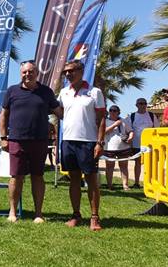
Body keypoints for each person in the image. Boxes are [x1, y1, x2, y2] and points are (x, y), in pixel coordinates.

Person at [0, 60, 62, 223]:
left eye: (31, 71)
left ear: (37, 73)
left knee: (37, 176)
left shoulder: (46, 92)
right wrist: (3, 138)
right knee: (16, 177)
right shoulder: (12, 91)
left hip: (39, 141)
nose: (28, 74)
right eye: (24, 72)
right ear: (21, 73)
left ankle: (38, 213)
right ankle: (12, 212)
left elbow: (60, 112)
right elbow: (4, 115)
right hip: (16, 140)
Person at [58, 60, 106, 231]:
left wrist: (100, 142)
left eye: (71, 71)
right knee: (74, 179)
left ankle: (94, 217)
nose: (68, 74)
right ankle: (76, 214)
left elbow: (101, 119)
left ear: (81, 71)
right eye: (65, 72)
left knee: (91, 180)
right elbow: (60, 113)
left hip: (88, 142)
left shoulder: (95, 92)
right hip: (68, 141)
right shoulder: (63, 92)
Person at [126, 98, 158, 188]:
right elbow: (128, 129)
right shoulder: (132, 116)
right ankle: (136, 183)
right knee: (138, 163)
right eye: (140, 103)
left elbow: (157, 129)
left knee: (150, 164)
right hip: (137, 145)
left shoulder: (152, 116)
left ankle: (150, 182)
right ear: (136, 105)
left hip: (150, 145)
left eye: (144, 103)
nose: (143, 105)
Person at [103, 105, 133, 191]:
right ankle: (109, 185)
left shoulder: (124, 121)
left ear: (118, 112)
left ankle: (125, 185)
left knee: (124, 166)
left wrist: (130, 137)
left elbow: (130, 131)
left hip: (123, 147)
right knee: (109, 167)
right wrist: (115, 125)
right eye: (111, 110)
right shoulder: (105, 121)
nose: (112, 112)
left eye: (115, 111)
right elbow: (103, 132)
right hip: (109, 148)